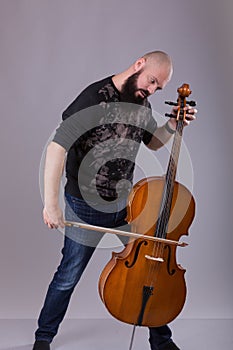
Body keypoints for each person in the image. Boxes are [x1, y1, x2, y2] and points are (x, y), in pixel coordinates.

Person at [33, 51, 196, 350]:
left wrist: (173, 124)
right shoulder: (94, 98)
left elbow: (153, 142)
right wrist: (51, 204)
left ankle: (161, 341)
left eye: (158, 88)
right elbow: (58, 147)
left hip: (125, 207)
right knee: (67, 277)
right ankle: (43, 338)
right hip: (83, 207)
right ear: (139, 65)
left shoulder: (141, 104)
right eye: (152, 81)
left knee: (150, 268)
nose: (152, 90)